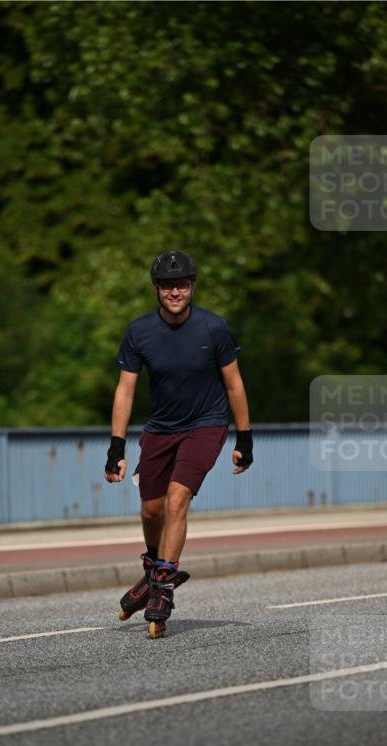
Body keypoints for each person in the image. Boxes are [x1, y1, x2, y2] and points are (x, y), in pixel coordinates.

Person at [104, 250, 253, 637]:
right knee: (151, 511)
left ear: (192, 286)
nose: (175, 291)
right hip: (160, 429)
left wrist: (245, 437)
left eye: (182, 284)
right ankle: (154, 569)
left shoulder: (213, 328)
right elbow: (125, 392)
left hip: (206, 425)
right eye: (168, 285)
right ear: (156, 288)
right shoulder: (139, 332)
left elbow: (234, 384)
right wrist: (116, 448)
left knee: (176, 500)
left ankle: (163, 587)